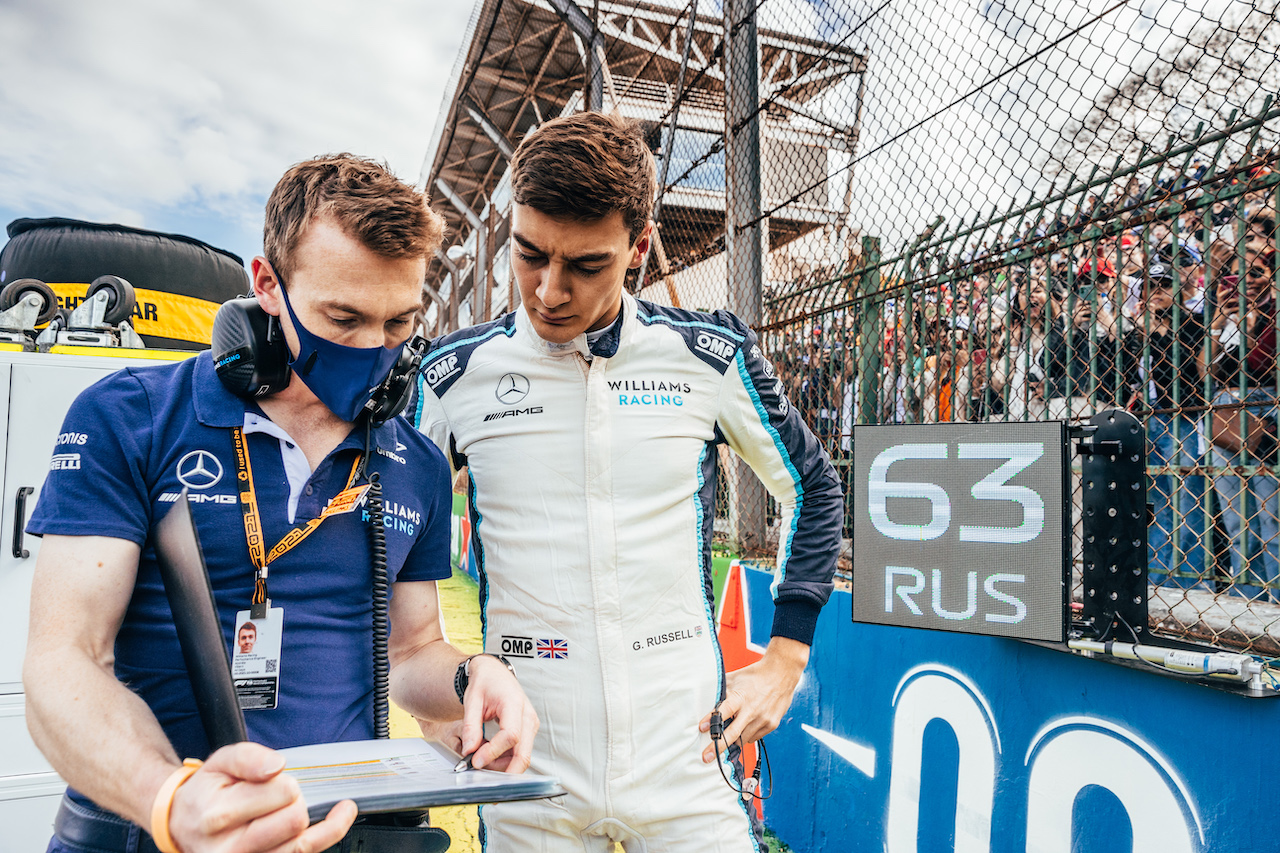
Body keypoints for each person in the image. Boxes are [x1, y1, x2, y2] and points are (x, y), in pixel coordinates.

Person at [22, 154, 537, 853]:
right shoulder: (129, 416)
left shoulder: (414, 462)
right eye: (342, 318)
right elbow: (66, 659)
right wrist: (169, 799)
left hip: (338, 834)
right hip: (141, 830)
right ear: (267, 284)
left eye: (397, 324)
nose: (372, 350)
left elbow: (413, 648)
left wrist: (476, 673)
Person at [414, 112, 844, 851]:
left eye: (586, 265)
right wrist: (432, 703)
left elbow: (815, 487)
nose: (549, 290)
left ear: (638, 248)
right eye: (528, 254)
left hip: (686, 761)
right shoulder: (450, 374)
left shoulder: (707, 354)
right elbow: (388, 538)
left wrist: (785, 659)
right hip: (528, 768)